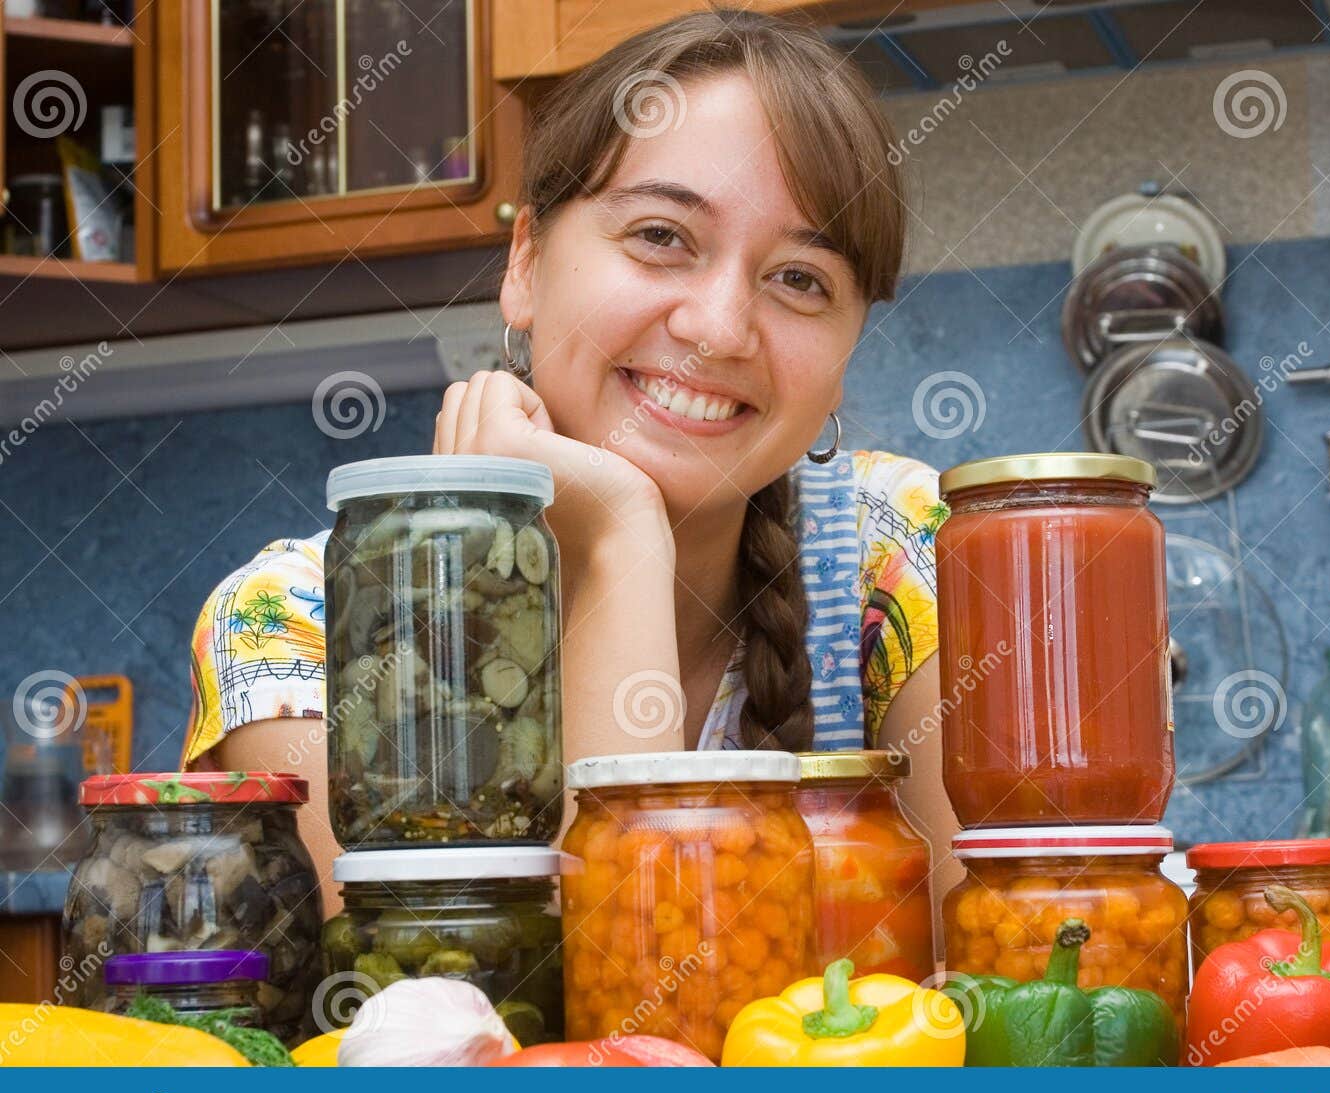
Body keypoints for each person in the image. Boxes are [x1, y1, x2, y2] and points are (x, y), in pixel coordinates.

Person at [182, 8, 958, 916]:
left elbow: (987, 991)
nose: (717, 327)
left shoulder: (897, 555)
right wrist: (620, 536)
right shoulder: (295, 627)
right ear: (526, 261)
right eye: (661, 235)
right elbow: (465, 1033)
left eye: (799, 279)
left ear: (847, 353)